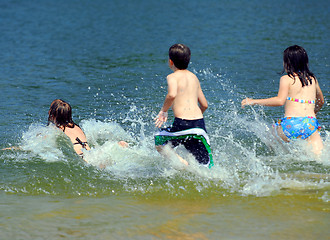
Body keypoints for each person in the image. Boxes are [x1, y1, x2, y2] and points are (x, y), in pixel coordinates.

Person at [241, 45, 324, 155]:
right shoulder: (312, 79)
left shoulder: (286, 79)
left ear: (288, 62)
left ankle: (277, 160)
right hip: (310, 123)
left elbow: (279, 101)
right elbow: (321, 101)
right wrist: (313, 113)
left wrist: (254, 101)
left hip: (291, 123)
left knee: (268, 137)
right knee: (319, 157)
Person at [154, 43, 213, 167]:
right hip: (199, 125)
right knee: (204, 164)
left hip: (181, 123)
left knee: (159, 141)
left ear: (170, 62)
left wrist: (163, 111)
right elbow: (205, 105)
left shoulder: (172, 77)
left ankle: (182, 163)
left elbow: (171, 95)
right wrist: (194, 121)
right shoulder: (194, 77)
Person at [48, 99, 128, 161]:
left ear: (53, 115)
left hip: (84, 158)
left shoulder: (56, 129)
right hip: (92, 153)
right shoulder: (77, 127)